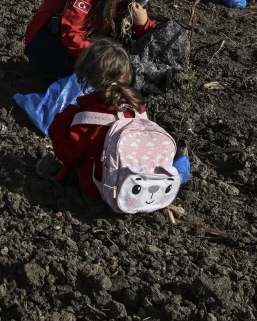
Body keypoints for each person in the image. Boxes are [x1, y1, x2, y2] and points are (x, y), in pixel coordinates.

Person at [47, 39, 188, 205]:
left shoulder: (87, 116)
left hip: (102, 190)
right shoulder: (137, 107)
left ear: (89, 77)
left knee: (69, 168)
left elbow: (66, 153)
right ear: (126, 74)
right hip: (136, 183)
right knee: (181, 164)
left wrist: (62, 121)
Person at [23, 0, 156, 81]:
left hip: (88, 39)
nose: (121, 1)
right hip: (49, 42)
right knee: (103, 77)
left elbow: (143, 32)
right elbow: (72, 34)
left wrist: (142, 24)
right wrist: (104, 60)